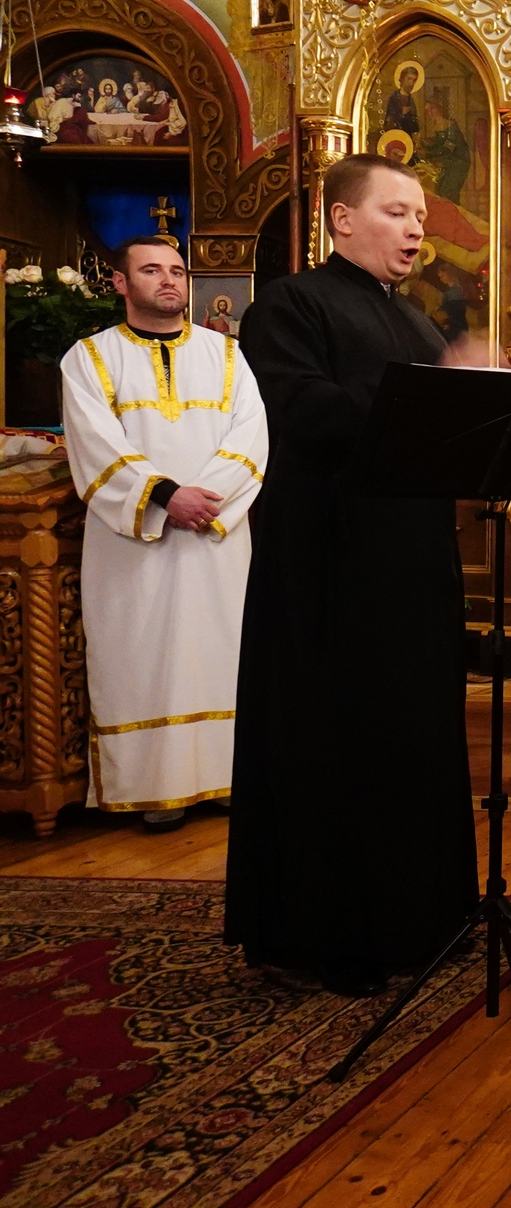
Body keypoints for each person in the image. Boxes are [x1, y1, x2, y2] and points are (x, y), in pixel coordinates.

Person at [225, 153, 478, 998]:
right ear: (341, 218)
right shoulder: (291, 305)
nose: (418, 228)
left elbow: (439, 436)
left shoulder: (416, 322)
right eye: (398, 212)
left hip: (411, 560)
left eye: (420, 215)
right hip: (327, 560)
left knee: (411, 734)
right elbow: (309, 412)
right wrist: (440, 396)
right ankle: (330, 933)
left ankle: (421, 915)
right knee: (334, 737)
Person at [60, 237, 266, 834]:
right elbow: (95, 444)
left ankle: (227, 778)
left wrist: (205, 499)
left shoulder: (227, 355)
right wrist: (164, 497)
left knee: (221, 650)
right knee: (140, 655)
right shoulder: (90, 358)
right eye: (151, 270)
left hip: (217, 536)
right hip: (135, 544)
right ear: (122, 283)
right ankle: (155, 788)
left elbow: (252, 434)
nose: (169, 280)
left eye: (177, 270)